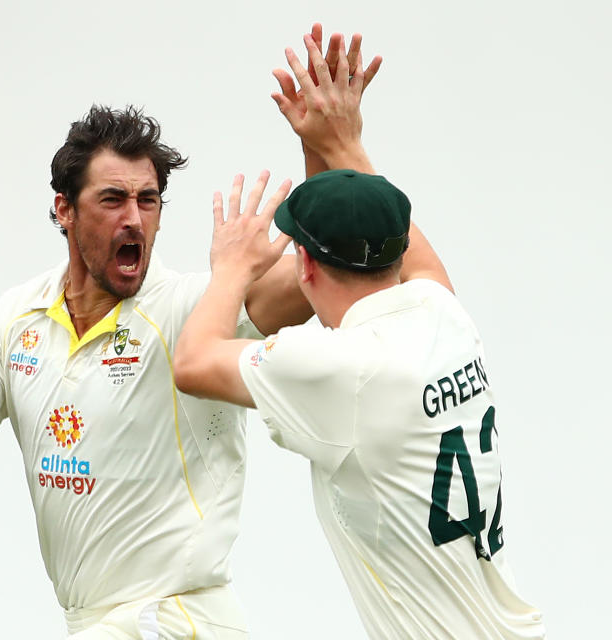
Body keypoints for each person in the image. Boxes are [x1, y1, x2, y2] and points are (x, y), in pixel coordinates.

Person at [0, 26, 378, 638]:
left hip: (178, 619)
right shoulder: (16, 317)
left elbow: (329, 266)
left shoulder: (197, 309)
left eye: (149, 199)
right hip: (91, 622)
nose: (134, 217)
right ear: (64, 209)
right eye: (112, 199)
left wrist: (324, 146)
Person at [173, 34, 546, 639]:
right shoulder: (443, 316)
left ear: (306, 268)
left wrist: (232, 269)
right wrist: (338, 142)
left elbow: (192, 361)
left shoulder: (339, 369)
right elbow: (416, 260)